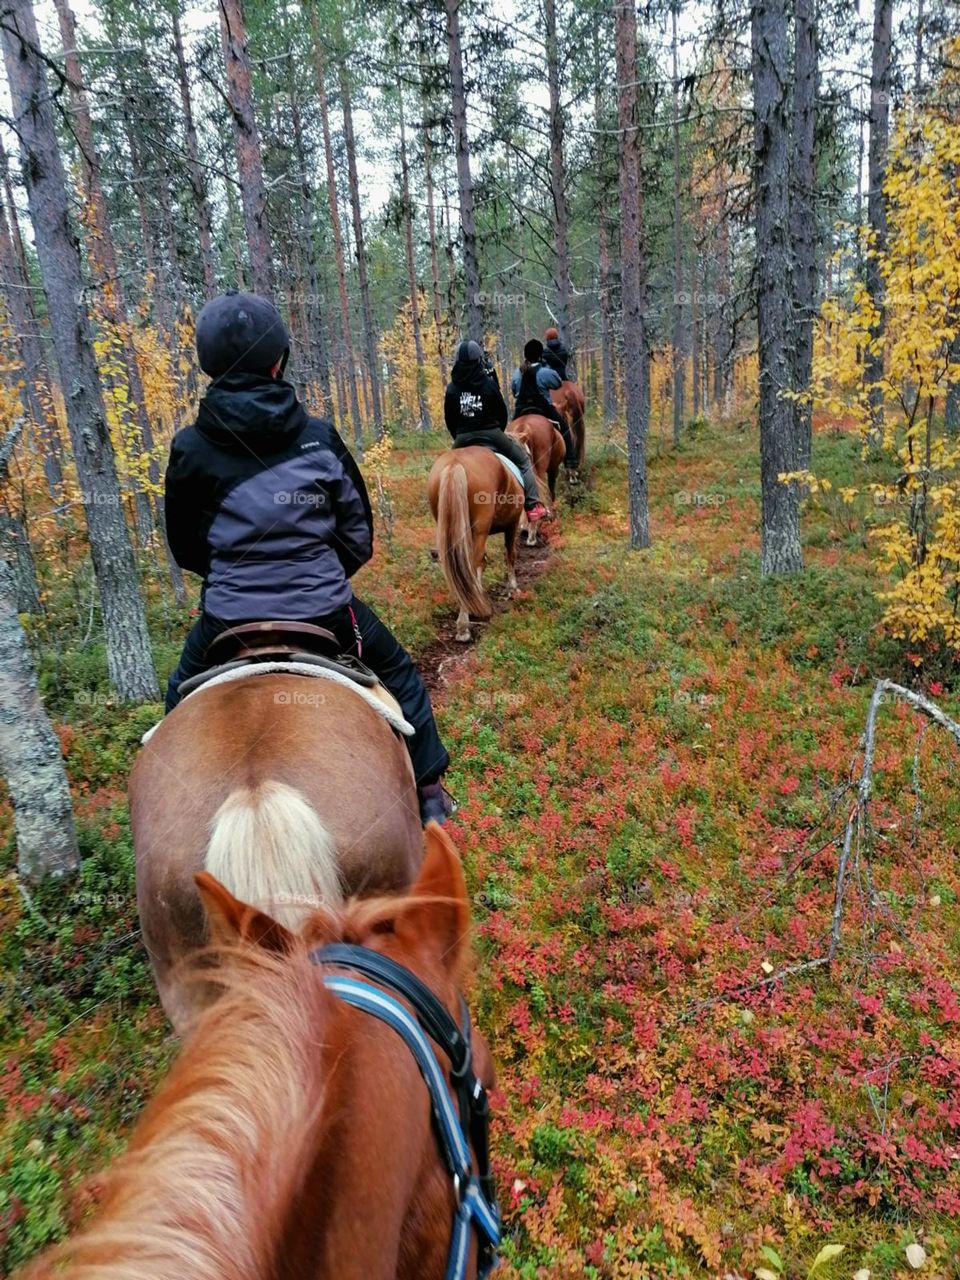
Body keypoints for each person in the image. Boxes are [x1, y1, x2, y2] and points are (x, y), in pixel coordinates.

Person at [163, 289, 454, 826]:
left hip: (226, 619)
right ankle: (431, 794)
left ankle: (172, 809)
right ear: (279, 361)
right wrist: (313, 576)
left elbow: (186, 547)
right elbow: (358, 536)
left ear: (209, 366)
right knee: (398, 672)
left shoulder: (189, 449)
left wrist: (238, 577)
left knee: (174, 702)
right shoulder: (319, 440)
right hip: (325, 613)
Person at [443, 339, 547, 520]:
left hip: (462, 437)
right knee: (523, 461)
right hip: (491, 433)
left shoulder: (452, 388)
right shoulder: (488, 383)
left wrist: (459, 436)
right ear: (478, 361)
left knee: (446, 474)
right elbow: (501, 412)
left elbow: (449, 418)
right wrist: (497, 430)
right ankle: (532, 506)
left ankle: (443, 528)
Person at [511, 338, 577, 470]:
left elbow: (514, 391)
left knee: (509, 433)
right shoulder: (544, 372)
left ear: (525, 355)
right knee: (564, 427)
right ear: (540, 355)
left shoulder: (517, 373)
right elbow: (558, 383)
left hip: (521, 409)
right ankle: (570, 460)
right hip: (542, 407)